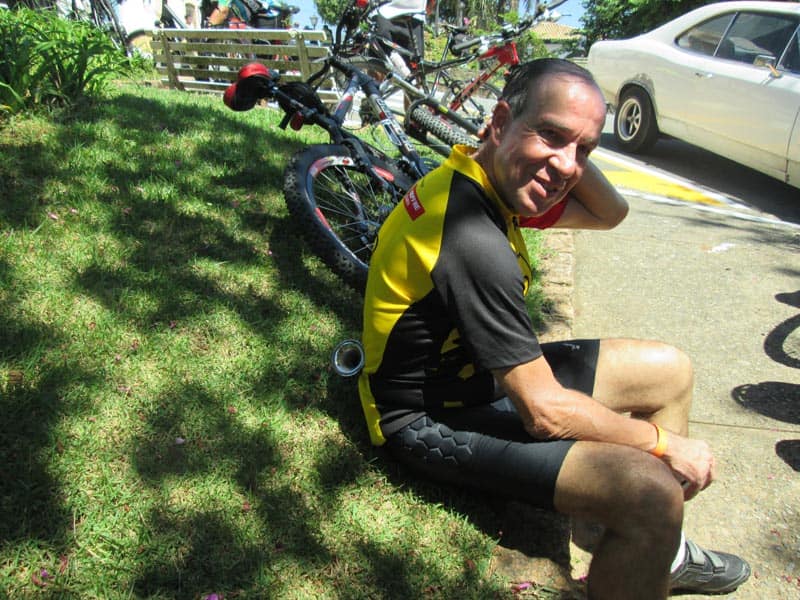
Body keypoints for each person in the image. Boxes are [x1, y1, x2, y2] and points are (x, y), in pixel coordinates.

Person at [357, 58, 750, 599]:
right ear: (499, 122)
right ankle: (647, 533)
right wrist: (663, 444)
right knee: (654, 494)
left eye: (584, 149)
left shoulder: (490, 181)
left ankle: (644, 549)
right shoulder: (470, 236)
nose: (566, 166)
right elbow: (544, 413)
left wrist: (564, 151)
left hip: (480, 379)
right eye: (551, 135)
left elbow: (610, 213)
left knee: (670, 371)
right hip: (428, 418)